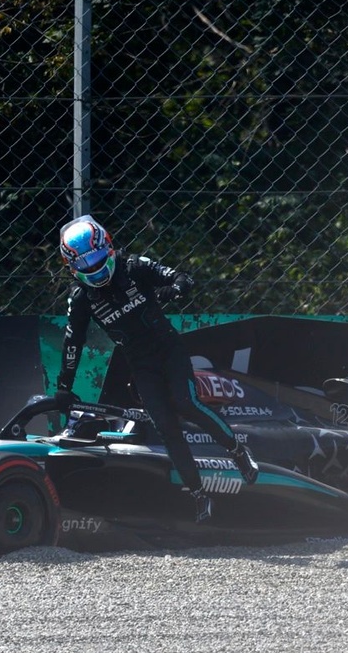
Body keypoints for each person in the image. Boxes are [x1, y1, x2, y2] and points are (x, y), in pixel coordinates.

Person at [53, 214, 259, 522]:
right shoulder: (81, 297)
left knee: (185, 402)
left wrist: (169, 291)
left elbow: (184, 279)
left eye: (98, 260)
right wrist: (64, 386)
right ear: (72, 268)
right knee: (165, 426)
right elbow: (73, 341)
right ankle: (198, 496)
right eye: (86, 266)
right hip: (141, 364)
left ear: (108, 248)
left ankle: (237, 451)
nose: (95, 271)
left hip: (168, 350)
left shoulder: (134, 267)